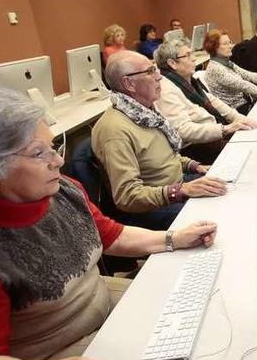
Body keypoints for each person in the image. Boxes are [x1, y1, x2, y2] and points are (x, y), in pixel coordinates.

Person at [0, 87, 218, 360]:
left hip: (110, 322)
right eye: (39, 153)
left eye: (54, 146)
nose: (58, 160)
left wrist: (174, 239)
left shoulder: (64, 190)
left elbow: (111, 235)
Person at [92, 51, 227, 230]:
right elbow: (128, 197)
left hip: (175, 186)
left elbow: (162, 157)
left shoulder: (144, 112)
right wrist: (182, 190)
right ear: (128, 83)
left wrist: (194, 165)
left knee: (228, 188)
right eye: (149, 71)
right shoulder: (114, 130)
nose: (159, 76)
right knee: (221, 217)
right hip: (154, 207)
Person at [154, 39, 257, 163]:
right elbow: (182, 130)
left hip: (213, 136)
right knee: (251, 153)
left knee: (253, 136)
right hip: (197, 148)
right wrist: (225, 129)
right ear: (172, 63)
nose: (193, 58)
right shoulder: (166, 90)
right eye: (188, 55)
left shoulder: (188, 81)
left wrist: (240, 118)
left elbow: (214, 102)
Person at [202, 29, 257, 114]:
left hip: (246, 104)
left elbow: (249, 75)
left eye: (230, 42)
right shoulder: (215, 68)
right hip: (238, 112)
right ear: (213, 48)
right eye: (225, 44)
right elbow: (243, 85)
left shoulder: (227, 63)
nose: (230, 46)